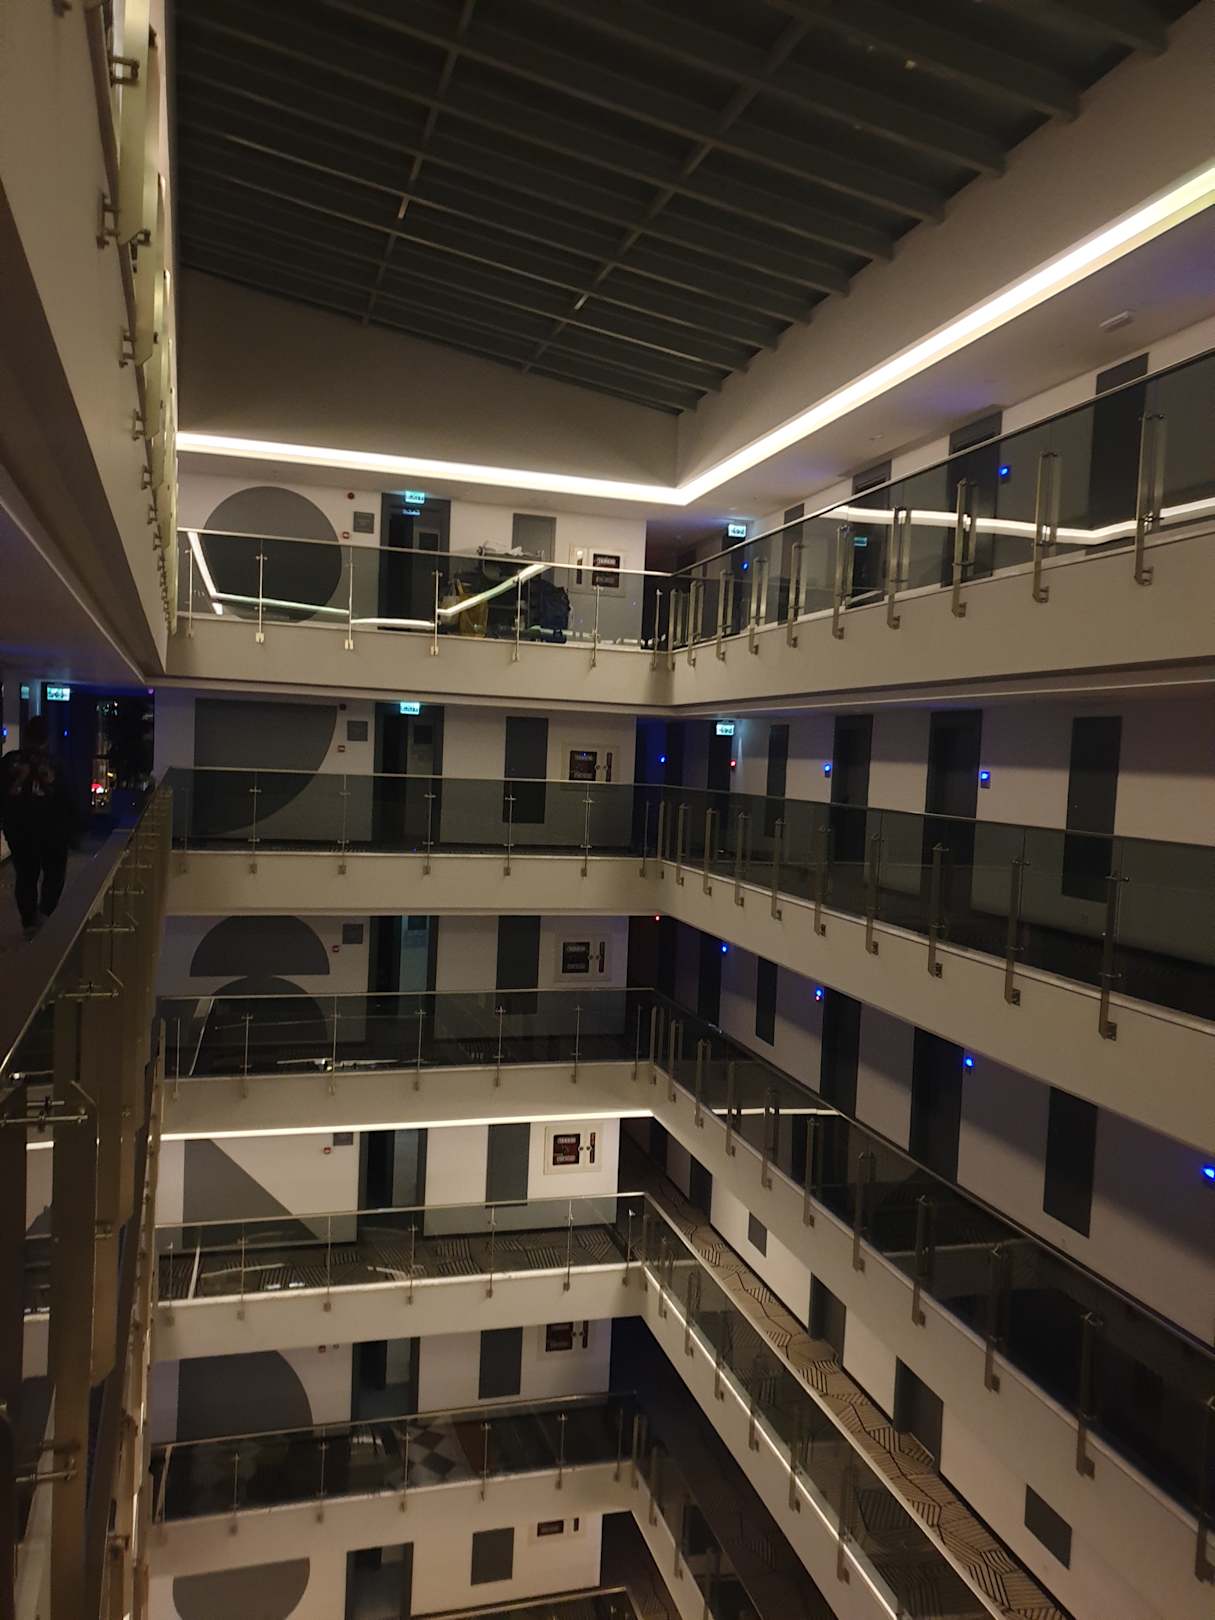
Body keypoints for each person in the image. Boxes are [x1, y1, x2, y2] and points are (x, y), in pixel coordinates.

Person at [0, 715, 79, 938]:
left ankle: (29, 922)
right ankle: (44, 914)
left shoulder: (9, 762)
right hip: (52, 831)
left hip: (19, 830)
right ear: (46, 739)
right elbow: (67, 797)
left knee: (25, 875)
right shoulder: (55, 764)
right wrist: (73, 829)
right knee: (55, 872)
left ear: (25, 736)